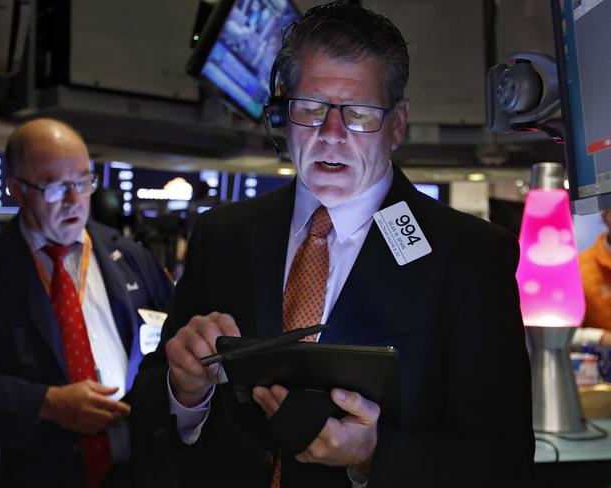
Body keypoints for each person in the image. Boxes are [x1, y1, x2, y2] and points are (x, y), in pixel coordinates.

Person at [128, 3, 534, 487]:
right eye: (312, 109)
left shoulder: (468, 257)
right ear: (283, 113)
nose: (332, 135)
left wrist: (374, 456)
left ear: (397, 124)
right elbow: (149, 412)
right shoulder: (223, 234)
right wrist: (184, 391)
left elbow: (503, 462)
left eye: (360, 114)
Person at [0, 118, 174, 488]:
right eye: (57, 187)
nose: (76, 200)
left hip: (140, 469)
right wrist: (46, 403)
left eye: (83, 181)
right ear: (16, 190)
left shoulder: (128, 255)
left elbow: (175, 336)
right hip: (46, 473)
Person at [576, 209, 611, 346]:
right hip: (601, 361)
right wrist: (601, 337)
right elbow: (564, 333)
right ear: (605, 215)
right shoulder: (580, 268)